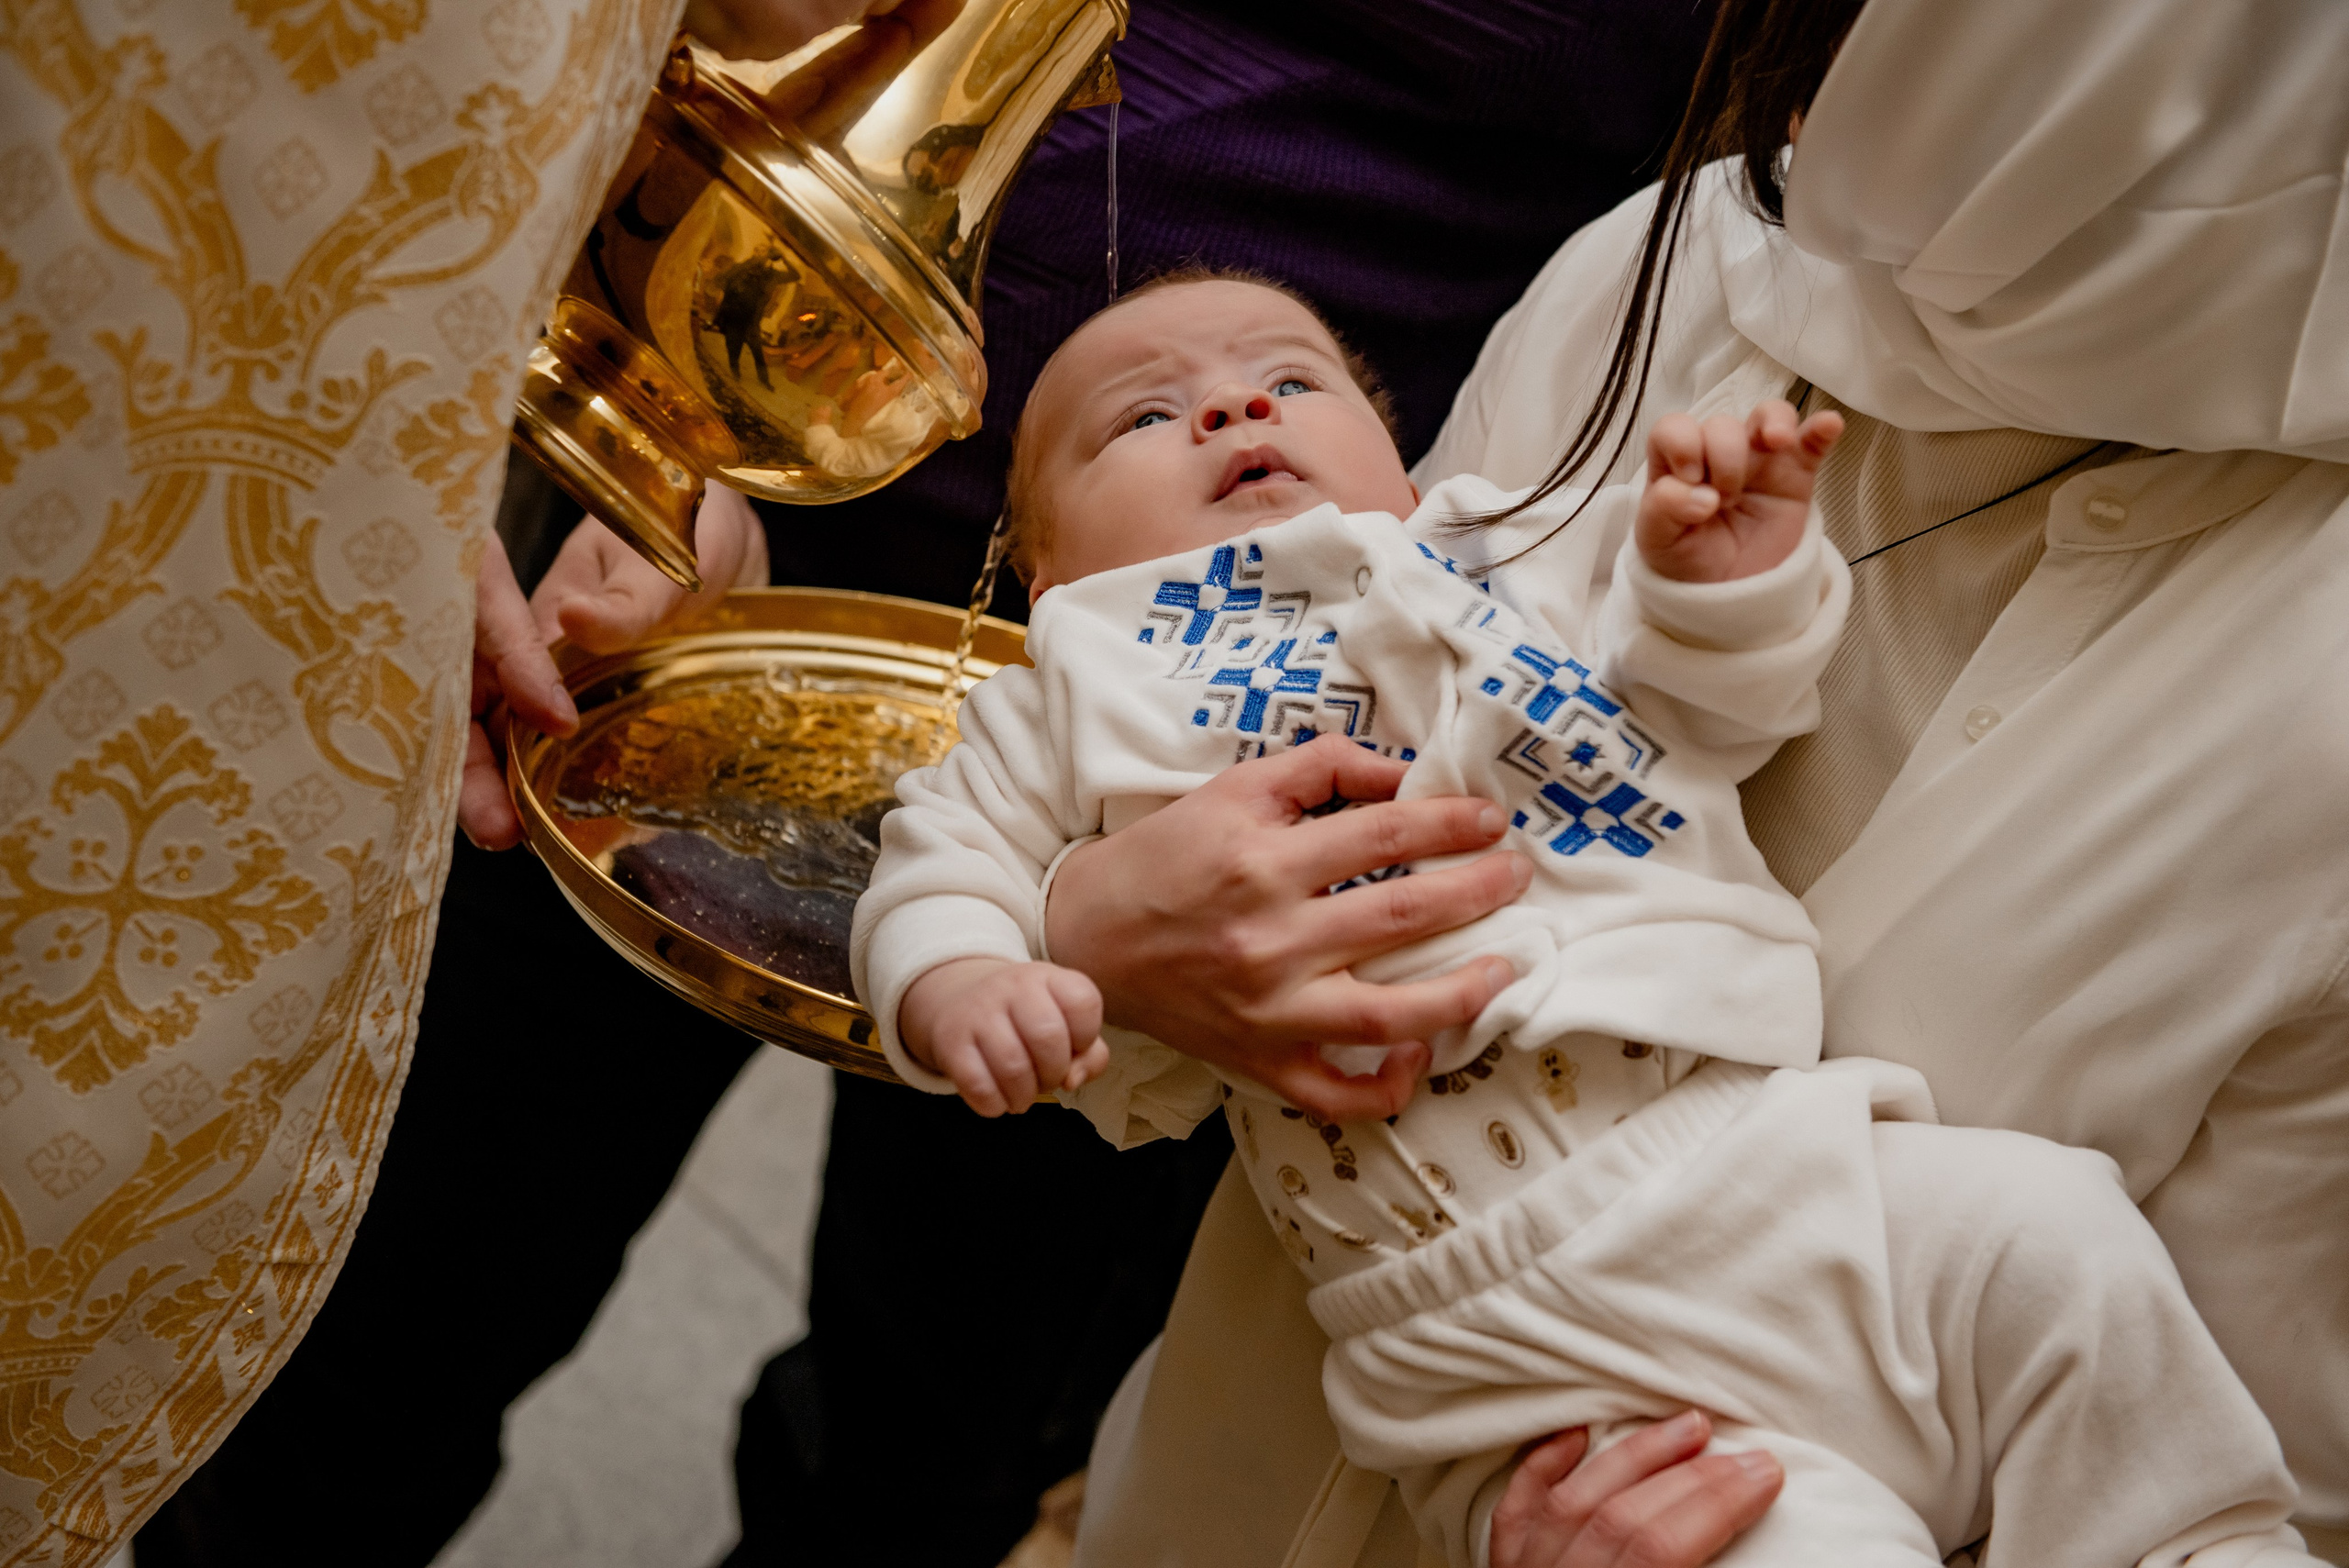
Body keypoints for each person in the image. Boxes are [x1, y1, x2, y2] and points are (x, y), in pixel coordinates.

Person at [1057, 1, 2349, 1563]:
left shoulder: (2311, 694)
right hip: (1284, 1443)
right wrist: (1101, 923)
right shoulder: (1677, 262)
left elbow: (2233, 1464)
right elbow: (1265, 759)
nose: (1827, 107)